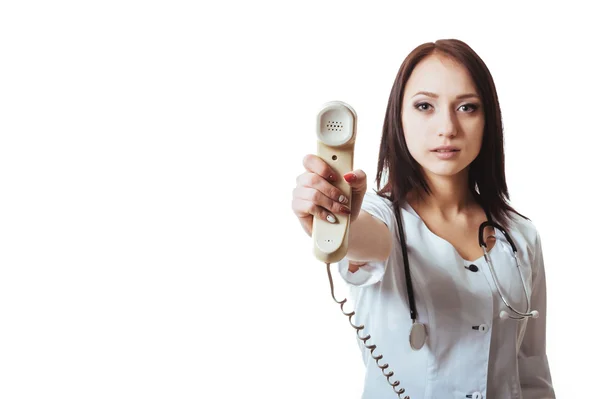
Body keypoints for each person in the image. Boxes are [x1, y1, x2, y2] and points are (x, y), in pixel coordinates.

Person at [291, 39, 555, 398]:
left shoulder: (521, 235)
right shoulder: (379, 217)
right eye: (424, 106)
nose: (447, 127)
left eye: (466, 107)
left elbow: (532, 372)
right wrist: (340, 221)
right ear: (398, 118)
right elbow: (367, 240)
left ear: (488, 120)